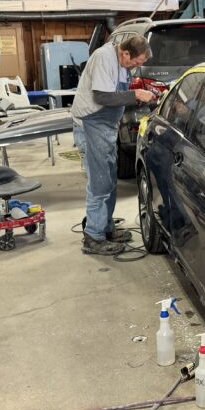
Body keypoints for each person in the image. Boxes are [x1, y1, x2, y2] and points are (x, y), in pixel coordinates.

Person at [71, 36, 156, 255]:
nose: (135, 67)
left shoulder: (122, 63)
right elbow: (102, 97)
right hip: (91, 124)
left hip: (105, 126)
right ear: (125, 53)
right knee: (99, 183)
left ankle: (105, 227)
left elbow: (116, 93)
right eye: (135, 62)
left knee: (109, 180)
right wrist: (136, 94)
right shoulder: (103, 58)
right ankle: (93, 236)